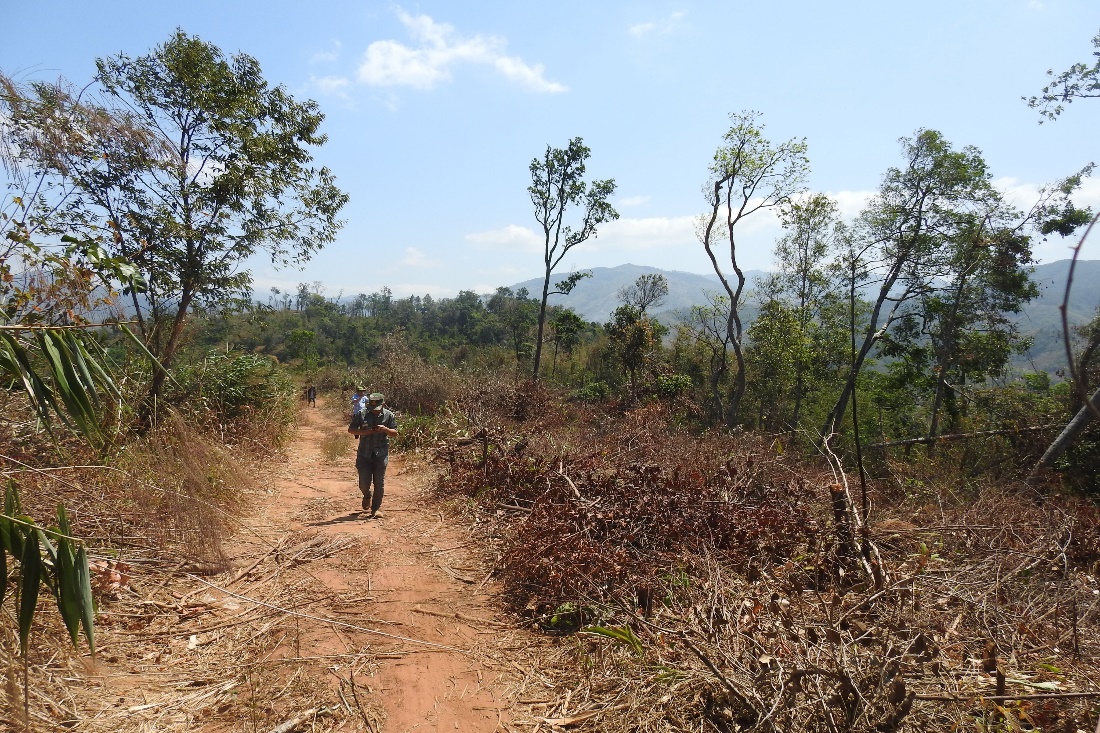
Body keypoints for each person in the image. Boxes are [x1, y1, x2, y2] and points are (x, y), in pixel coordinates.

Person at [347, 392, 398, 518]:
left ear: (383, 405)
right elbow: (351, 429)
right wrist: (366, 432)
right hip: (364, 453)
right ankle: (367, 495)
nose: (373, 411)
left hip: (381, 454)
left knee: (379, 483)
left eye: (376, 408)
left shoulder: (389, 415)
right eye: (371, 408)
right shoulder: (361, 413)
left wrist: (385, 429)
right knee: (363, 483)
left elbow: (395, 433)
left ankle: (376, 508)